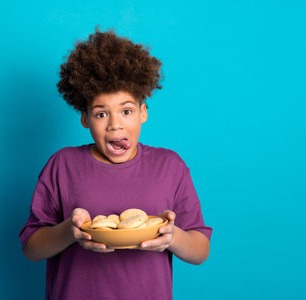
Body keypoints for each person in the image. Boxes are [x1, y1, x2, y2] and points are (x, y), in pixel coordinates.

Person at [19, 28, 212, 299]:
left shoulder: (170, 166)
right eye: (101, 114)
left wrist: (173, 238)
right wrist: (71, 231)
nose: (114, 124)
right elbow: (31, 249)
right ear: (85, 119)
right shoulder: (63, 164)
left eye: (126, 111)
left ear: (143, 112)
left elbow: (200, 250)